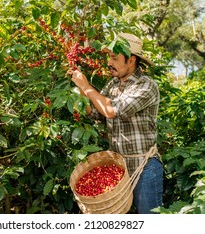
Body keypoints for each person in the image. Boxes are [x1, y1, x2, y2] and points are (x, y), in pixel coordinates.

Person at [68, 33, 163, 214]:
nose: (109, 63)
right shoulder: (112, 85)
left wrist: (87, 86)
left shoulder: (146, 86)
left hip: (145, 167)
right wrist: (81, 89)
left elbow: (112, 111)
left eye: (114, 58)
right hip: (118, 168)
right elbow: (95, 113)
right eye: (108, 57)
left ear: (131, 60)